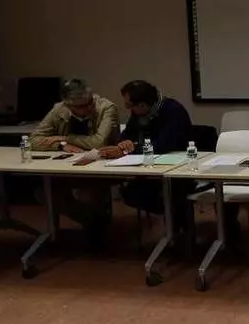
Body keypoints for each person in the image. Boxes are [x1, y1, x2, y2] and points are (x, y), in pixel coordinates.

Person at [100, 81, 199, 238]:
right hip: (150, 167)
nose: (128, 110)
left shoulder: (173, 110)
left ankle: (179, 229)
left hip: (179, 168)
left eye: (129, 106)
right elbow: (127, 135)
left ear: (143, 104)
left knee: (171, 195)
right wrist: (124, 143)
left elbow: (163, 145)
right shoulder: (139, 112)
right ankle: (174, 224)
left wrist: (131, 148)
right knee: (130, 193)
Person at [29, 79, 120, 248]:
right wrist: (60, 145)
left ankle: (97, 232)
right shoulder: (58, 110)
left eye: (90, 102)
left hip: (102, 167)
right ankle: (91, 221)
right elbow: (33, 140)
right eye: (81, 106)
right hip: (67, 167)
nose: (88, 108)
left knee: (87, 191)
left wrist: (64, 138)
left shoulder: (106, 107)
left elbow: (98, 142)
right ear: (68, 105)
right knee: (43, 192)